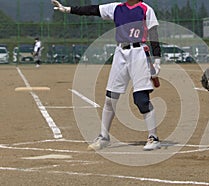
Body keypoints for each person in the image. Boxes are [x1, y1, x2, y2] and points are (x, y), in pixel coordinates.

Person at [52, 0, 162, 151]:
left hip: (139, 53)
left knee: (141, 99)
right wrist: (67, 9)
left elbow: (153, 33)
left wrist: (157, 60)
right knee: (110, 98)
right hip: (120, 53)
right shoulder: (116, 8)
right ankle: (104, 137)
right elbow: (92, 10)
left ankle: (153, 137)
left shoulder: (145, 9)